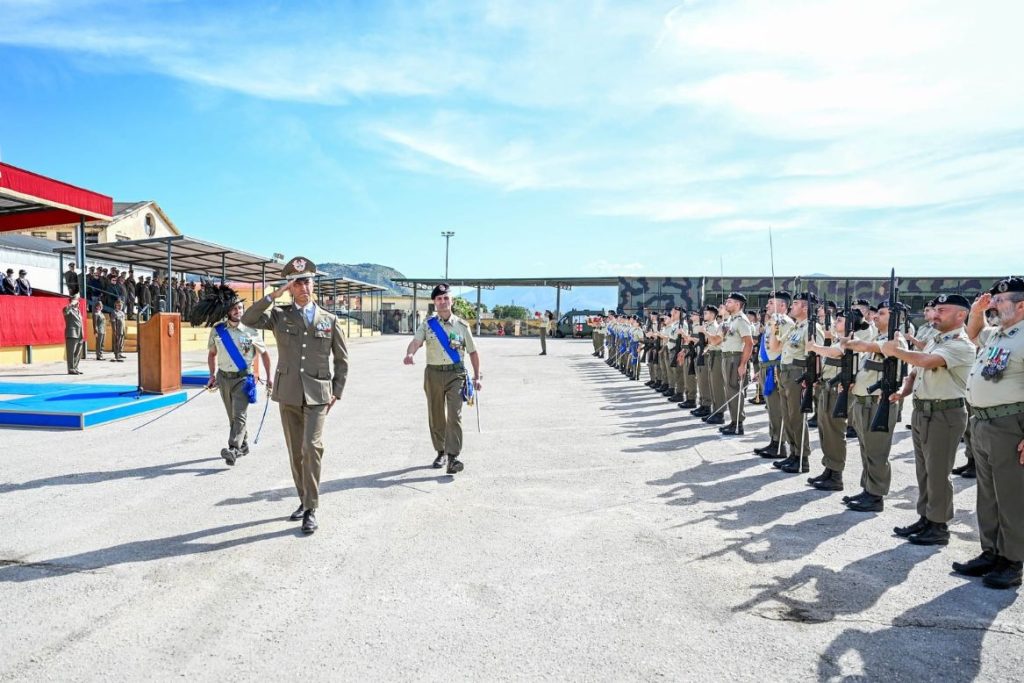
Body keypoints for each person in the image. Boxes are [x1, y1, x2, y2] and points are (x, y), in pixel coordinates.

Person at [242, 256, 349, 535]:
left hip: (318, 394)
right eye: (297, 282)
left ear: (314, 285)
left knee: (311, 447)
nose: (303, 287)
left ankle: (311, 508)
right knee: (295, 452)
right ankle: (303, 500)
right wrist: (274, 294)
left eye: (307, 281)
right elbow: (247, 318)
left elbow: (342, 359)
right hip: (288, 392)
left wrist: (336, 391)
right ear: (291, 286)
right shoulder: (279, 315)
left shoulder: (330, 319)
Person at [882, 293, 975, 546]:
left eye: (942, 310)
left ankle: (939, 525)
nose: (934, 314)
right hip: (924, 411)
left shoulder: (960, 344)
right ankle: (926, 517)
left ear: (961, 315)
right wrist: (903, 392)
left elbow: (925, 360)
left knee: (937, 473)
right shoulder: (936, 340)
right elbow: (916, 370)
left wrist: (896, 351)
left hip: (945, 413)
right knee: (924, 471)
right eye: (934, 310)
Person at [952, 278, 1024, 589]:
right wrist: (978, 310)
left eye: (1000, 300)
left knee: (1011, 496)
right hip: (982, 423)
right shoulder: (998, 334)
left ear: (1021, 305)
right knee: (988, 494)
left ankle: (1012, 560)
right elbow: (972, 334)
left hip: (1010, 425)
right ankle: (991, 551)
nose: (994, 304)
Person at [404, 282, 482, 474]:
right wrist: (410, 354)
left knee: (454, 415)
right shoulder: (428, 325)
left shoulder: (462, 326)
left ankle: (453, 457)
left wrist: (477, 377)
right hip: (433, 374)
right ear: (434, 302)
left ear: (451, 300)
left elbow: (473, 352)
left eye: (446, 298)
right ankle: (441, 452)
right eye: (439, 299)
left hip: (456, 374)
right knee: (436, 415)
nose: (443, 301)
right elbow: (416, 342)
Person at [208, 296, 271, 466]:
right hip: (223, 378)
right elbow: (212, 354)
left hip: (243, 379)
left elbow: (264, 354)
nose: (238, 311)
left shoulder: (251, 330)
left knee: (239, 415)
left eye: (241, 308)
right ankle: (243, 445)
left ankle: (233, 449)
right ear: (227, 311)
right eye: (234, 308)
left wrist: (269, 378)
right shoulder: (217, 330)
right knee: (232, 416)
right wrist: (212, 375)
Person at [715, 292, 754, 435]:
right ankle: (733, 421)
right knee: (730, 390)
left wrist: (743, 364)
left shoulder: (741, 320)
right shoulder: (731, 320)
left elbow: (749, 344)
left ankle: (738, 424)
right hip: (726, 357)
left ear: (738, 304)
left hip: (735, 358)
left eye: (729, 302)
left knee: (735, 391)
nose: (726, 304)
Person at [63, 294, 85, 375]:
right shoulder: (68, 310)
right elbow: (65, 311)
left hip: (79, 334)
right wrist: (71, 304)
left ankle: (75, 367)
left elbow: (80, 323)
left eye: (78, 301)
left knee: (78, 353)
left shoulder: (78, 311)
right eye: (76, 300)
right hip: (72, 334)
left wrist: (82, 334)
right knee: (71, 353)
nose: (78, 302)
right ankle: (71, 369)